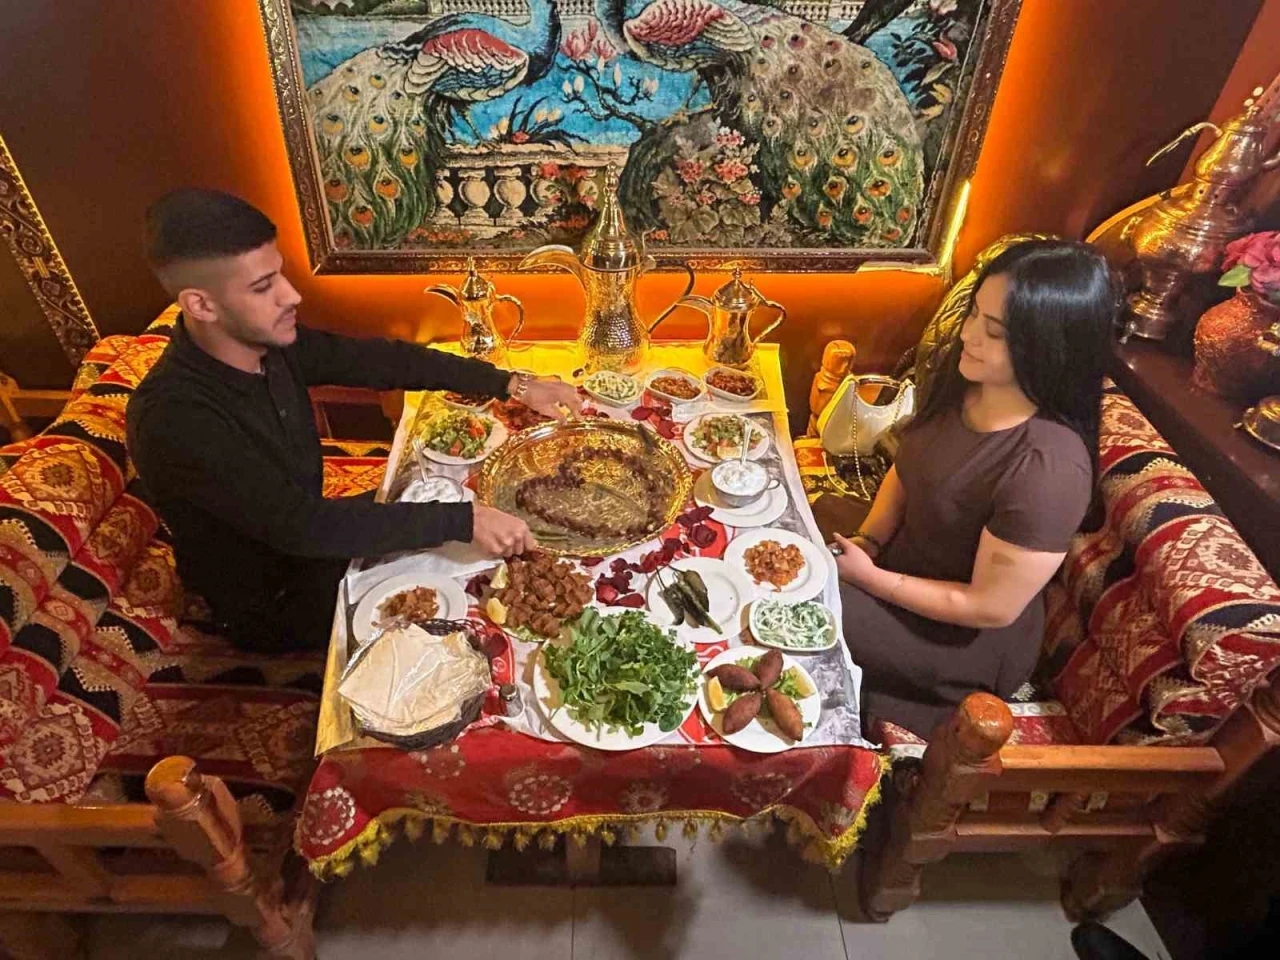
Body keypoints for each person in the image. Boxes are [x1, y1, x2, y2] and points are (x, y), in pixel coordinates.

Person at [127, 188, 581, 653]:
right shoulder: (174, 421)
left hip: (314, 538)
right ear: (201, 305)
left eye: (279, 273)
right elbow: (303, 527)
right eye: (262, 287)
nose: (291, 295)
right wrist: (462, 521)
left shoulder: (264, 344)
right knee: (490, 603)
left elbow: (382, 361)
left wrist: (513, 384)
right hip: (278, 598)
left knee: (509, 509)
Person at [832, 239, 1117, 738]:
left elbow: (991, 606)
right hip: (897, 569)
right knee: (774, 536)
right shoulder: (966, 380)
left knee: (794, 604)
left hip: (958, 639)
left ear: (1049, 346)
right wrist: (869, 541)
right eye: (974, 313)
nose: (968, 334)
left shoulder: (1048, 466)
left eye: (995, 331)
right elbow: (908, 469)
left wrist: (869, 579)